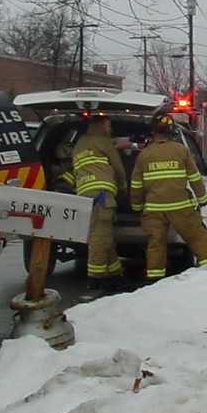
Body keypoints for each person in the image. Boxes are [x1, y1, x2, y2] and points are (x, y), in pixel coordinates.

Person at [130, 112, 207, 281]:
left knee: (156, 244)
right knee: (197, 236)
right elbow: (195, 177)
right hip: (180, 206)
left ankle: (155, 279)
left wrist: (136, 206)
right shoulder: (181, 150)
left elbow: (136, 185)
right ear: (171, 132)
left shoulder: (144, 155)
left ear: (153, 132)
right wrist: (202, 199)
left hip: (154, 208)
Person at [71, 113, 126, 291]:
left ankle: (115, 275)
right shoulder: (104, 142)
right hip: (102, 195)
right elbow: (118, 167)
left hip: (84, 195)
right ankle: (95, 278)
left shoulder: (79, 143)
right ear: (102, 124)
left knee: (105, 236)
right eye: (109, 125)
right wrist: (124, 187)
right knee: (99, 237)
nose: (110, 129)